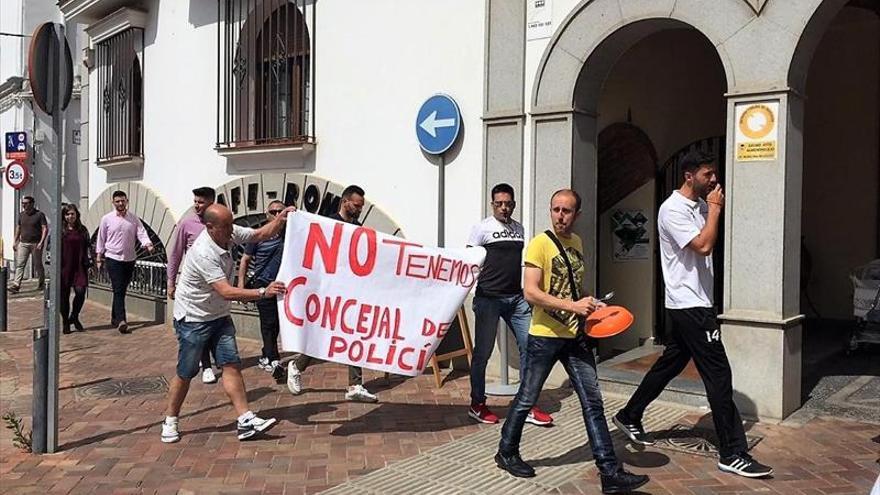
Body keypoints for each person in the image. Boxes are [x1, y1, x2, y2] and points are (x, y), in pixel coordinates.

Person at [612, 151, 773, 478]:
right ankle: (732, 452)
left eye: (715, 175)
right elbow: (702, 246)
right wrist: (714, 210)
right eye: (708, 175)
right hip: (690, 306)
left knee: (668, 364)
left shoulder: (699, 206)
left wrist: (709, 209)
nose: (714, 180)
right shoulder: (671, 210)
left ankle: (630, 414)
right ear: (689, 175)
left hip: (696, 302)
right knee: (719, 375)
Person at [495, 189, 648, 494]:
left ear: (577, 214)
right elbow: (531, 292)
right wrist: (573, 307)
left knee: (593, 403)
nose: (560, 216)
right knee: (527, 397)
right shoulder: (539, 244)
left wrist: (590, 305)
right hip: (545, 337)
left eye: (567, 211)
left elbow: (573, 289)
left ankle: (609, 472)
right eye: (556, 210)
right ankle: (506, 451)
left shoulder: (576, 243)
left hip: (575, 335)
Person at [161, 203, 294, 443]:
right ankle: (170, 420)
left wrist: (281, 219)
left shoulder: (229, 231)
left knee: (231, 364)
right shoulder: (203, 252)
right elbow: (226, 291)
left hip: (219, 316)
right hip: (194, 318)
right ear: (210, 227)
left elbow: (260, 233)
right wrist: (264, 292)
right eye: (225, 226)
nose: (231, 230)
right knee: (186, 372)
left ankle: (245, 419)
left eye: (232, 223)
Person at [466, 183, 552, 427]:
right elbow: (469, 262)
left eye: (508, 203)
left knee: (531, 349)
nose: (504, 207)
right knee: (482, 353)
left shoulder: (519, 229)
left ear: (513, 204)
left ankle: (526, 404)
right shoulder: (481, 229)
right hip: (488, 299)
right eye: (499, 203)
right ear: (492, 204)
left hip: (516, 299)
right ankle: (477, 404)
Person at [286, 185, 378, 403]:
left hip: (350, 291)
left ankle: (355, 385)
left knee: (353, 334)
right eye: (356, 205)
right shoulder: (328, 223)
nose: (359, 210)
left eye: (361, 206)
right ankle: (296, 365)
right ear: (345, 202)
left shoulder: (358, 227)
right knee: (322, 335)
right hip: (328, 291)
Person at [167, 187, 219, 384]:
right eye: (195, 201)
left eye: (201, 202)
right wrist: (171, 282)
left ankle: (213, 357)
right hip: (194, 287)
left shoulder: (218, 223)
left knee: (215, 322)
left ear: (211, 203)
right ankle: (206, 365)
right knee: (200, 323)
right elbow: (175, 254)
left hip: (216, 284)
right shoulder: (187, 224)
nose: (196, 205)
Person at [237, 200, 287, 384]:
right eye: (273, 212)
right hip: (264, 285)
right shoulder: (259, 235)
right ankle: (274, 360)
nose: (276, 215)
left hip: (285, 287)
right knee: (268, 323)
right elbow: (245, 260)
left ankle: (267, 354)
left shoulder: (291, 233)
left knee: (277, 323)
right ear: (267, 215)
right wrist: (241, 287)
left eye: (280, 211)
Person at [95, 191, 154, 333]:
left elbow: (141, 233)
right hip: (112, 257)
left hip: (129, 258)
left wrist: (148, 244)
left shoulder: (133, 219)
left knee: (122, 289)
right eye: (117, 201)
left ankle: (115, 317)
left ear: (127, 201)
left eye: (122, 201)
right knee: (118, 288)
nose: (120, 204)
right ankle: (122, 320)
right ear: (113, 202)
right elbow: (101, 238)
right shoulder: (106, 219)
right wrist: (99, 256)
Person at [59, 203, 90, 334]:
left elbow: (88, 246)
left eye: (72, 213)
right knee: (64, 296)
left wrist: (90, 261)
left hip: (79, 266)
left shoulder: (82, 230)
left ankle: (74, 316)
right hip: (64, 266)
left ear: (77, 215)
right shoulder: (60, 230)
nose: (70, 216)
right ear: (64, 216)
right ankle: (65, 321)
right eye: (67, 214)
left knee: (81, 292)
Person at [9, 196, 48, 293]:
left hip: (36, 243)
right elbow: (18, 228)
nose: (23, 205)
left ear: (32, 204)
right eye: (23, 203)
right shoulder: (21, 215)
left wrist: (41, 242)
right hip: (24, 243)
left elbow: (44, 228)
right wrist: (15, 241)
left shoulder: (39, 215)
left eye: (26, 203)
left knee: (38, 265)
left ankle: (41, 283)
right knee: (20, 264)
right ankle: (16, 285)